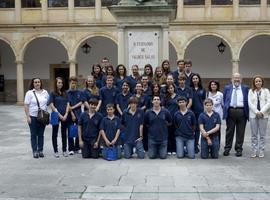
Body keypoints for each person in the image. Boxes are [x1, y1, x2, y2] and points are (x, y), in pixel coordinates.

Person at [223, 73, 249, 157]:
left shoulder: (245, 88)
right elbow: (225, 99)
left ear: (241, 79)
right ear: (231, 79)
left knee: (240, 132)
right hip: (230, 111)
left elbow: (248, 100)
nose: (237, 79)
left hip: (242, 111)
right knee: (229, 131)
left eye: (238, 78)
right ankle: (227, 148)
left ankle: (238, 149)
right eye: (235, 78)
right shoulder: (227, 88)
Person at [24, 78, 49, 158]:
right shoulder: (29, 93)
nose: (37, 83)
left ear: (41, 83)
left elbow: (49, 103)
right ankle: (35, 151)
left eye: (38, 82)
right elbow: (26, 105)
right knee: (33, 134)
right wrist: (28, 117)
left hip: (43, 117)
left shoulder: (45, 92)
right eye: (35, 82)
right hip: (33, 116)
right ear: (33, 84)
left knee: (41, 134)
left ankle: (40, 150)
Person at [248, 75, 270, 158]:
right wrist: (257, 112)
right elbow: (249, 103)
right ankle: (254, 150)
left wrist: (261, 112)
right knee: (254, 134)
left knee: (262, 135)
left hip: (263, 116)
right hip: (253, 115)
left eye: (259, 81)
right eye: (256, 81)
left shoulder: (266, 91)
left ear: (262, 82)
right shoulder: (250, 91)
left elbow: (268, 102)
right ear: (254, 82)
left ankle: (261, 150)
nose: (258, 82)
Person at [48, 77, 69, 158]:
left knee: (64, 133)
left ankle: (64, 150)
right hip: (55, 115)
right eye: (58, 82)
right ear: (56, 83)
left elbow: (68, 103)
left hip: (64, 115)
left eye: (61, 82)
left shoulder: (65, 92)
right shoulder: (53, 93)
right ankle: (56, 151)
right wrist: (59, 115)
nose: (60, 84)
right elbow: (51, 105)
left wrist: (66, 114)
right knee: (55, 133)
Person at [67, 76, 83, 155]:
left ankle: (77, 147)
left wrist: (73, 107)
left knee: (78, 130)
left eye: (75, 83)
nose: (73, 84)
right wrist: (72, 114)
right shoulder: (67, 93)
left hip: (79, 113)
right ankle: (71, 148)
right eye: (72, 83)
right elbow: (68, 105)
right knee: (70, 131)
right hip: (70, 114)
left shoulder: (80, 92)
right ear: (70, 83)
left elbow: (81, 102)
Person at [190, 73, 206, 153]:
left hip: (199, 111)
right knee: (191, 128)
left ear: (199, 79)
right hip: (191, 111)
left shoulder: (202, 89)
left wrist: (204, 111)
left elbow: (204, 101)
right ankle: (190, 144)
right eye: (193, 79)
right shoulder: (189, 89)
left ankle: (195, 145)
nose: (195, 80)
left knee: (197, 129)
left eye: (196, 78)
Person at [164, 83, 179, 155]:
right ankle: (169, 149)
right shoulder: (166, 97)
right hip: (168, 118)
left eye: (171, 88)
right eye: (169, 88)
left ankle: (174, 149)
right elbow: (163, 108)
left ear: (174, 88)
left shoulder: (178, 97)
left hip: (176, 118)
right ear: (167, 90)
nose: (170, 89)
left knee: (175, 134)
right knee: (168, 134)